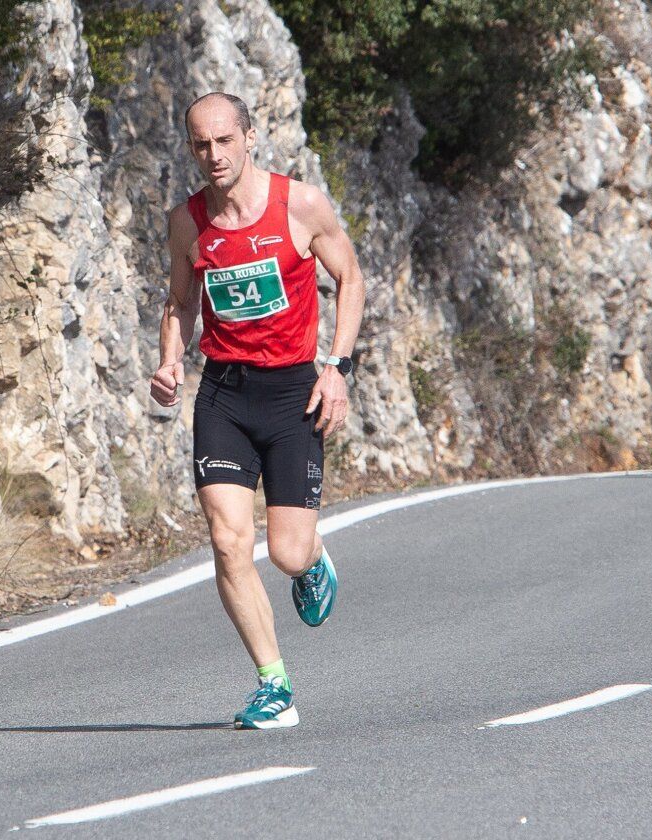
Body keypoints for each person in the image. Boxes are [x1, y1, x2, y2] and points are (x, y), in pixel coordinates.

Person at [149, 92, 365, 729]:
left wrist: (338, 368)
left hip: (292, 393)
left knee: (287, 555)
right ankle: (274, 685)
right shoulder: (188, 222)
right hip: (223, 393)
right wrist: (170, 361)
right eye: (200, 145)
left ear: (248, 137)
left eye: (223, 141)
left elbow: (349, 276)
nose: (213, 156)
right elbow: (180, 301)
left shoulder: (299, 204)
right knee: (226, 541)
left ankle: (312, 555)